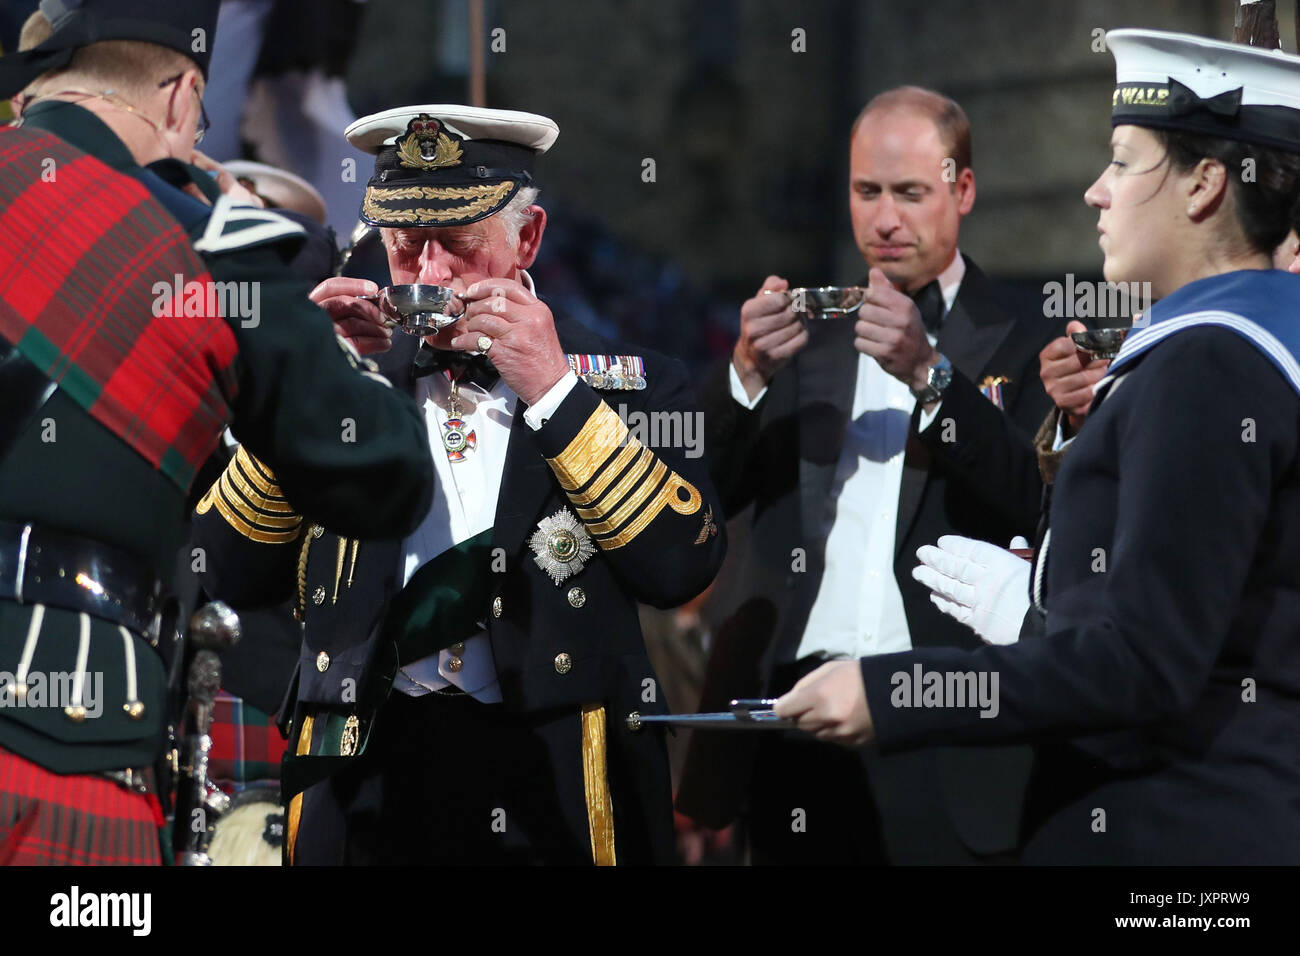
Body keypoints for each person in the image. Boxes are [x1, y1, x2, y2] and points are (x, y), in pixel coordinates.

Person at [777, 28, 1300, 865]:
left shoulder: (1210, 359)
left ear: (1205, 183)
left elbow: (1146, 662)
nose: (1096, 191)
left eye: (1125, 162)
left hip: (1178, 831)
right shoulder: (1233, 346)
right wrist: (1047, 606)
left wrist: (899, 689)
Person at [193, 104, 728, 865]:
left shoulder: (632, 386)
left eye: (459, 244)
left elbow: (680, 566)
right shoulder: (351, 375)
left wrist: (553, 392)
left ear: (528, 238)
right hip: (364, 774)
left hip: (550, 778)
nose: (432, 274)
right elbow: (222, 568)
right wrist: (298, 389)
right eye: (408, 248)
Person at [0, 1, 432, 865]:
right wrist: (281, 299)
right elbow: (383, 469)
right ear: (179, 98)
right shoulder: (212, 245)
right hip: (66, 744)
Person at [676, 86, 1065, 864]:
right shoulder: (805, 329)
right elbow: (699, 500)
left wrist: (932, 378)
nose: (884, 219)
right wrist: (744, 375)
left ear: (963, 191)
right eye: (866, 192)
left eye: (910, 193)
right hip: (797, 717)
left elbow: (1041, 508)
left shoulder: (1028, 336)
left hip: (942, 722)